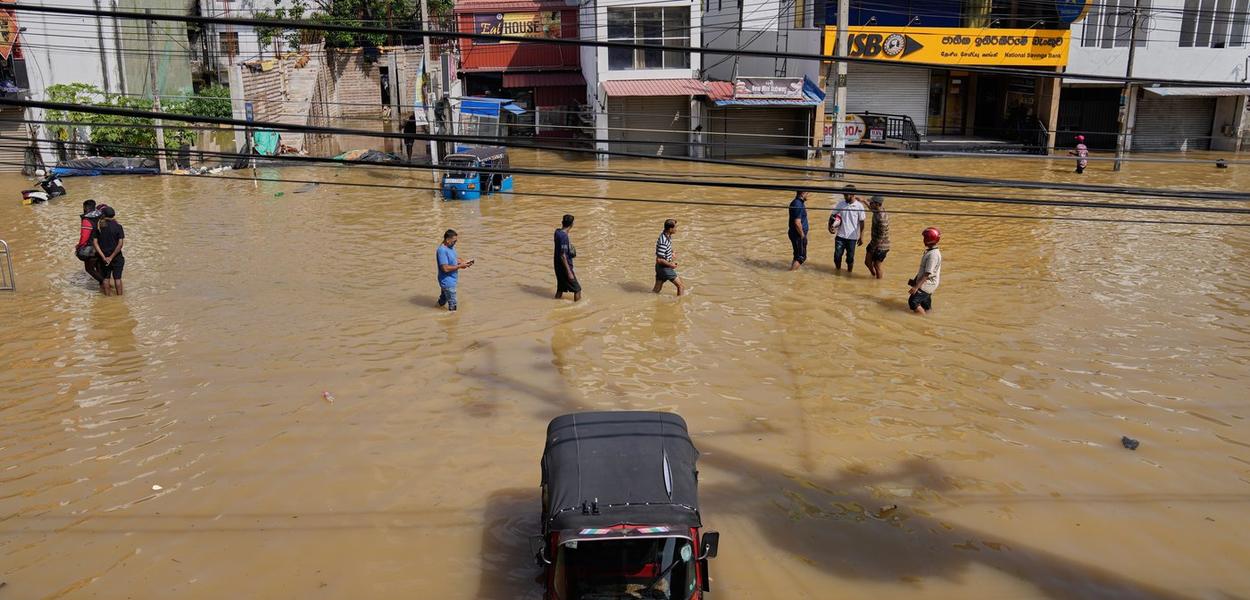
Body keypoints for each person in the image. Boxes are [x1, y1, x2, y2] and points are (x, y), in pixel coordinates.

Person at [829, 187, 865, 273]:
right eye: (844, 195)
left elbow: (862, 222)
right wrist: (829, 227)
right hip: (840, 236)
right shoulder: (841, 204)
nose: (844, 197)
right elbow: (832, 215)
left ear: (852, 195)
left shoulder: (859, 206)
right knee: (837, 257)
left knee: (850, 258)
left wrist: (861, 236)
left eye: (846, 195)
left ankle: (849, 274)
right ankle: (837, 272)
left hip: (852, 238)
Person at [91, 205, 125, 296]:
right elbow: (120, 244)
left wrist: (103, 257)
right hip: (117, 257)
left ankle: (108, 298)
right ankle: (120, 299)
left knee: (105, 279)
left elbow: (95, 243)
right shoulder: (118, 226)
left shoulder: (98, 227)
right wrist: (111, 257)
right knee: (117, 279)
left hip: (103, 258)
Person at [907, 227, 942, 315]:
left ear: (928, 240)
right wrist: (915, 281)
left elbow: (927, 273)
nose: (923, 240)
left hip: (928, 284)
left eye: (925, 238)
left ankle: (923, 320)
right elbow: (923, 270)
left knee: (913, 302)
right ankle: (929, 319)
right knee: (926, 305)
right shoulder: (931, 251)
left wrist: (916, 287)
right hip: (929, 283)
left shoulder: (933, 255)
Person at [436, 229, 473, 311]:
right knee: (453, 305)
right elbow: (445, 268)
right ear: (447, 240)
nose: (455, 243)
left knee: (443, 300)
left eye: (456, 241)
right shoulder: (442, 250)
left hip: (451, 280)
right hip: (447, 282)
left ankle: (435, 308)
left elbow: (455, 259)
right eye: (454, 241)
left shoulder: (451, 247)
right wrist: (460, 266)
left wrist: (464, 262)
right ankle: (452, 321)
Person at [75, 199, 104, 286]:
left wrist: (79, 246)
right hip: (100, 245)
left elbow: (84, 236)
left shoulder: (87, 220)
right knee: (98, 266)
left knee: (89, 269)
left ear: (85, 208)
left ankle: (105, 283)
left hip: (91, 248)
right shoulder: (100, 216)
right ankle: (103, 287)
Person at [652, 219, 685, 296]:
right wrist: (671, 265)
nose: (676, 229)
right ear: (670, 229)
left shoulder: (667, 236)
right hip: (664, 268)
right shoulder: (663, 241)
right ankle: (679, 305)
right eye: (675, 227)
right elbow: (659, 259)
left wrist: (671, 252)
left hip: (660, 268)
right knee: (681, 286)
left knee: (656, 290)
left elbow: (665, 249)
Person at [554, 214, 581, 301]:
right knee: (577, 289)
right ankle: (578, 310)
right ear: (572, 224)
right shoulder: (564, 237)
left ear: (562, 222)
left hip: (557, 266)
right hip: (564, 267)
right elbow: (563, 255)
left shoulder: (557, 232)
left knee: (560, 289)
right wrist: (569, 271)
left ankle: (555, 303)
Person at [863, 195, 890, 280]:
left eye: (872, 203)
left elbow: (881, 236)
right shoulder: (877, 210)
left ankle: (878, 283)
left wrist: (874, 248)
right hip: (874, 242)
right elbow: (871, 208)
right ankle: (873, 275)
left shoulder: (882, 218)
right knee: (867, 262)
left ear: (877, 204)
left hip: (881, 246)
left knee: (877, 265)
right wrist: (863, 201)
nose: (870, 204)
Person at [787, 191, 809, 271]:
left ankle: (791, 273)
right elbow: (797, 222)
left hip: (795, 234)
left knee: (797, 256)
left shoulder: (797, 202)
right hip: (798, 235)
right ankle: (790, 273)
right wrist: (802, 235)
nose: (808, 195)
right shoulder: (798, 204)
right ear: (802, 193)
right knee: (801, 257)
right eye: (807, 193)